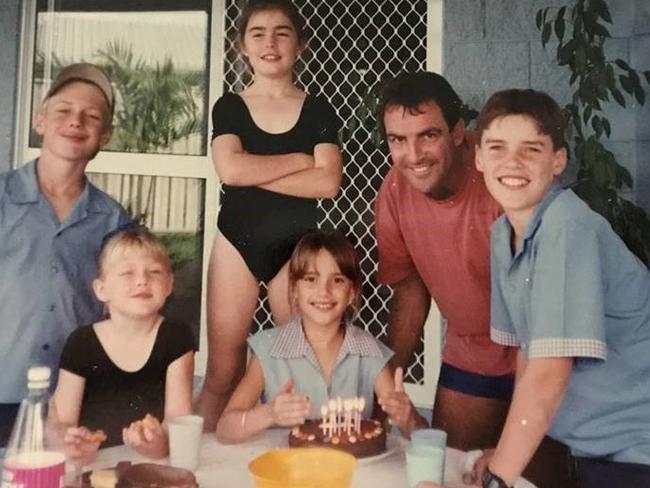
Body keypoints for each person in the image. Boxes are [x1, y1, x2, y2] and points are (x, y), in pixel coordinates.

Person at [456, 88, 648, 488]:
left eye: (532, 149)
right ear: (478, 156)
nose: (512, 162)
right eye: (497, 147)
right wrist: (507, 455)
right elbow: (531, 356)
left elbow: (548, 373)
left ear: (558, 160)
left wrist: (499, 477)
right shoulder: (502, 233)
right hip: (594, 449)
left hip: (635, 450)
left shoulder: (566, 225)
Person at [198, 0, 343, 431]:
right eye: (257, 33)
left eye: (282, 32)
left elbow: (327, 183)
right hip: (235, 243)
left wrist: (251, 170)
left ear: (300, 45)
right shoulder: (230, 107)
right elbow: (229, 169)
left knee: (303, 369)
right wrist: (299, 158)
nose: (270, 42)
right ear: (242, 46)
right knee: (223, 373)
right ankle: (192, 468)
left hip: (296, 248)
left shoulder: (318, 109)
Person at [374, 71, 516, 449]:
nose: (414, 155)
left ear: (457, 132)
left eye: (428, 135)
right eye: (398, 140)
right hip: (471, 351)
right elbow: (410, 290)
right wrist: (388, 382)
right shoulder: (393, 190)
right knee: (451, 469)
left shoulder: (501, 177)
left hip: (538, 351)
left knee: (532, 478)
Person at [0, 63, 129, 447]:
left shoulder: (111, 218)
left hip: (71, 400)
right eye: (63, 111)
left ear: (104, 135)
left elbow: (120, 312)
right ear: (40, 120)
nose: (76, 121)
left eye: (92, 116)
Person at [215, 230, 427, 443]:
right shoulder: (269, 350)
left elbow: (423, 436)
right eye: (311, 279)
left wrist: (409, 419)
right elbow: (225, 430)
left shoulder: (370, 352)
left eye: (337, 280)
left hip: (350, 473)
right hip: (287, 471)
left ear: (352, 292)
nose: (323, 291)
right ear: (294, 289)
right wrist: (269, 413)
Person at [51, 226, 195, 464]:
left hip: (153, 464)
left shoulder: (176, 336)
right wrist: (71, 444)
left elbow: (177, 421)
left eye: (155, 272)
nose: (142, 281)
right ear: (101, 289)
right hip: (92, 465)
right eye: (127, 273)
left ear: (169, 285)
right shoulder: (81, 343)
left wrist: (158, 445)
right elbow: (60, 422)